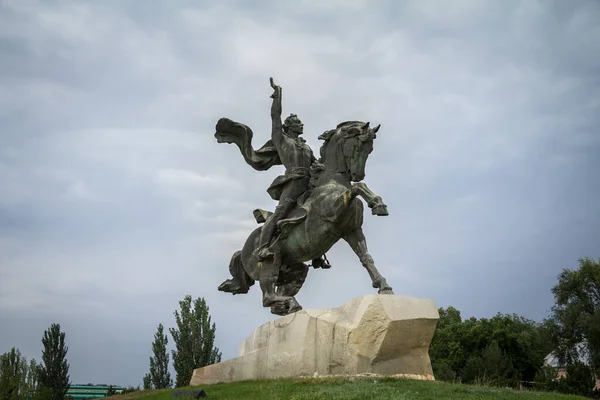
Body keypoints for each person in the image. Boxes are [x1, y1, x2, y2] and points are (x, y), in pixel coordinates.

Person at [256, 79, 317, 261]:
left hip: (309, 184)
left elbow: (315, 164)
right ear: (289, 126)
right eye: (298, 123)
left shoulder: (306, 147)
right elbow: (276, 117)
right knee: (280, 213)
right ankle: (263, 247)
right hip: (293, 182)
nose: (302, 125)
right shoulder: (281, 140)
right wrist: (277, 96)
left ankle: (317, 253)